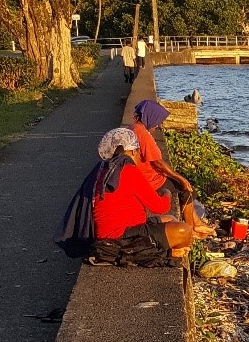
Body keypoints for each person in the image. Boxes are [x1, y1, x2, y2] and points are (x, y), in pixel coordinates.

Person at [90, 127, 192, 262]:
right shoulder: (128, 169)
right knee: (184, 231)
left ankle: (170, 251)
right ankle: (173, 256)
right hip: (122, 236)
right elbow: (159, 207)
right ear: (133, 151)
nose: (139, 156)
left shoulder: (105, 168)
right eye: (138, 152)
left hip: (118, 229)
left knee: (170, 218)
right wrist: (166, 193)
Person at [130, 99, 214, 237]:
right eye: (157, 121)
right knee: (186, 190)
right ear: (150, 118)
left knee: (184, 187)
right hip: (151, 181)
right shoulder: (143, 134)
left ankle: (197, 224)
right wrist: (180, 178)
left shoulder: (133, 129)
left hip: (146, 177)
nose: (157, 126)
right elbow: (158, 162)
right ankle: (189, 230)